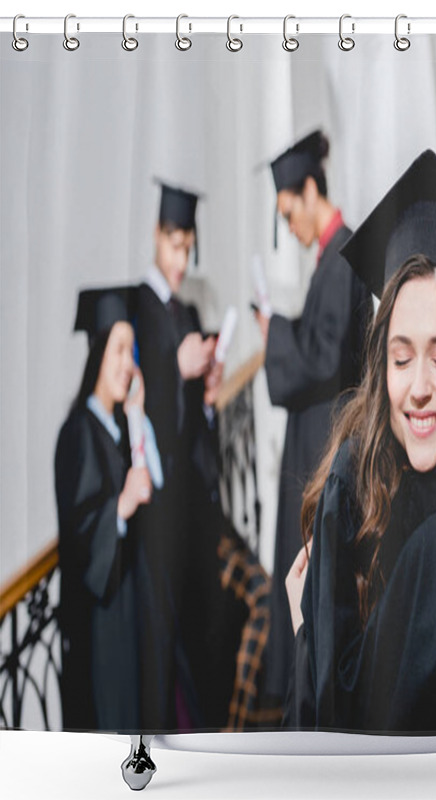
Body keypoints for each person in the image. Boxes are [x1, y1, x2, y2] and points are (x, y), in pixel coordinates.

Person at [286, 150, 436, 731]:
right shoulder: (353, 482)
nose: (419, 387)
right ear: (381, 367)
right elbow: (335, 708)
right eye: (402, 359)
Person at [135, 182, 269, 731]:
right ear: (156, 239)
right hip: (166, 514)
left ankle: (230, 737)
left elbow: (197, 417)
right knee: (188, 646)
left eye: (187, 246)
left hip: (201, 505)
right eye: (173, 244)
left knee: (226, 625)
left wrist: (209, 393)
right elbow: (136, 408)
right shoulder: (135, 311)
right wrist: (174, 365)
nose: (180, 257)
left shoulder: (187, 311)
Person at [254, 130, 373, 708]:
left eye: (288, 211)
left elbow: (327, 355)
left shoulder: (345, 253)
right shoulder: (331, 259)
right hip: (317, 442)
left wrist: (275, 331)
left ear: (308, 190)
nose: (289, 228)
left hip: (327, 447)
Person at [55, 287, 163, 731]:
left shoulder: (119, 423)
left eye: (131, 349)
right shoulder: (77, 433)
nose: (128, 363)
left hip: (130, 604)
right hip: (101, 623)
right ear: (97, 354)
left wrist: (138, 413)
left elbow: (153, 482)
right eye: (118, 349)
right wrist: (118, 506)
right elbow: (77, 528)